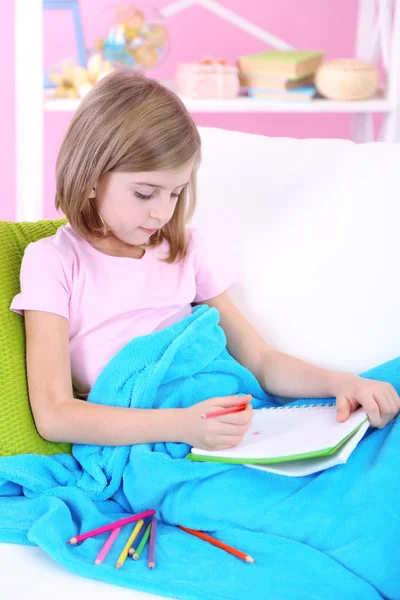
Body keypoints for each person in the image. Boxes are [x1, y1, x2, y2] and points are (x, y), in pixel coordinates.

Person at [10, 71, 399, 450]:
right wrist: (183, 427)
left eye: (176, 193)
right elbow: (54, 414)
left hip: (231, 421)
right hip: (155, 442)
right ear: (92, 179)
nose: (161, 213)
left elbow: (261, 361)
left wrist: (341, 384)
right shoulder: (53, 261)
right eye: (145, 194)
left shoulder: (186, 250)